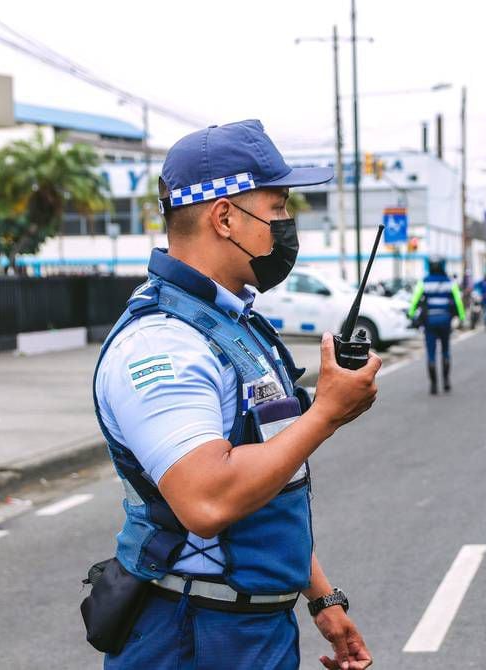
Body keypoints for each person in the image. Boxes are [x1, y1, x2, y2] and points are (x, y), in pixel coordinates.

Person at [90, 120, 377, 669]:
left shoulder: (234, 324)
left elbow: (269, 478)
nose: (287, 224)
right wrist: (328, 413)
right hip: (195, 634)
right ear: (224, 217)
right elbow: (207, 499)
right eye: (278, 206)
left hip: (255, 627)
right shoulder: (165, 343)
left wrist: (321, 596)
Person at [408, 257, 465, 394]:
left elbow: (415, 299)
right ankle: (446, 381)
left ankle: (433, 385)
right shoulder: (450, 282)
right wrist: (461, 317)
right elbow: (458, 301)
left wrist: (411, 314)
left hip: (430, 322)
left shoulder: (424, 282)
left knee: (431, 353)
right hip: (445, 321)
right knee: (445, 351)